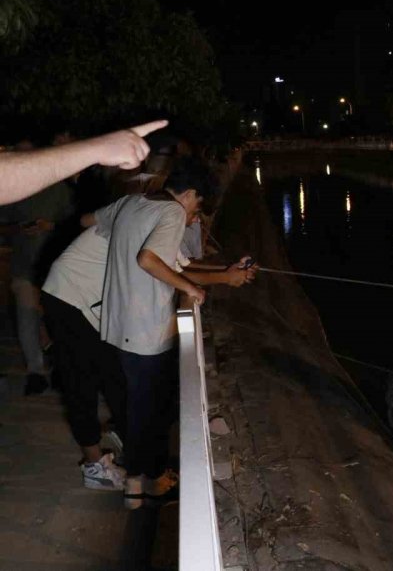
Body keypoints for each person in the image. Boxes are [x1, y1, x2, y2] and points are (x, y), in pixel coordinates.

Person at [42, 192, 255, 492]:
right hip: (70, 293)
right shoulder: (164, 214)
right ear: (188, 195)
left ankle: (135, 457)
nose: (194, 221)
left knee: (117, 379)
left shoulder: (143, 208)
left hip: (92, 301)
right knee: (83, 382)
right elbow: (161, 267)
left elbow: (177, 267)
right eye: (196, 213)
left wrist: (227, 272)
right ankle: (95, 464)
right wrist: (225, 278)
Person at [98, 157, 220, 508]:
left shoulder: (131, 202)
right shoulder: (172, 214)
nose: (195, 212)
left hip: (117, 324)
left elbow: (90, 221)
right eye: (198, 203)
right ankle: (139, 484)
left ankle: (144, 480)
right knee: (147, 411)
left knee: (141, 405)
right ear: (191, 194)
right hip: (147, 329)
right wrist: (190, 289)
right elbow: (149, 259)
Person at [0, 137, 77, 394]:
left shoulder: (58, 189)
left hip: (54, 268)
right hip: (24, 265)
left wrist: (49, 226)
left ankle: (59, 369)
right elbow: (4, 223)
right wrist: (17, 228)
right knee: (26, 318)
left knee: (54, 320)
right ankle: (35, 371)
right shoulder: (12, 188)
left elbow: (76, 225)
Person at [0, 120, 167, 204]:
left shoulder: (96, 170)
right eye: (55, 141)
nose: (56, 144)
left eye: (61, 139)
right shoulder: (55, 178)